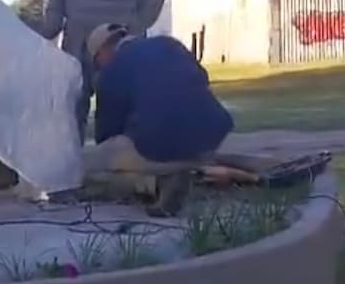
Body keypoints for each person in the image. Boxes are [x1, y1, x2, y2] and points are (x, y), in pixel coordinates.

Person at [42, 0, 166, 144]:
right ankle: (72, 163)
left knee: (114, 107)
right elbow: (56, 2)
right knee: (72, 106)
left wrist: (138, 25)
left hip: (114, 48)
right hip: (76, 47)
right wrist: (46, 32)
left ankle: (115, 163)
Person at [83, 23, 234, 216]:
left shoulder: (112, 69)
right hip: (210, 138)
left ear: (102, 52)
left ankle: (157, 183)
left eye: (97, 62)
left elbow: (107, 133)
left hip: (160, 147)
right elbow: (201, 79)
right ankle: (192, 170)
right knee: (180, 151)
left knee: (90, 167)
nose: (99, 67)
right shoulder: (170, 44)